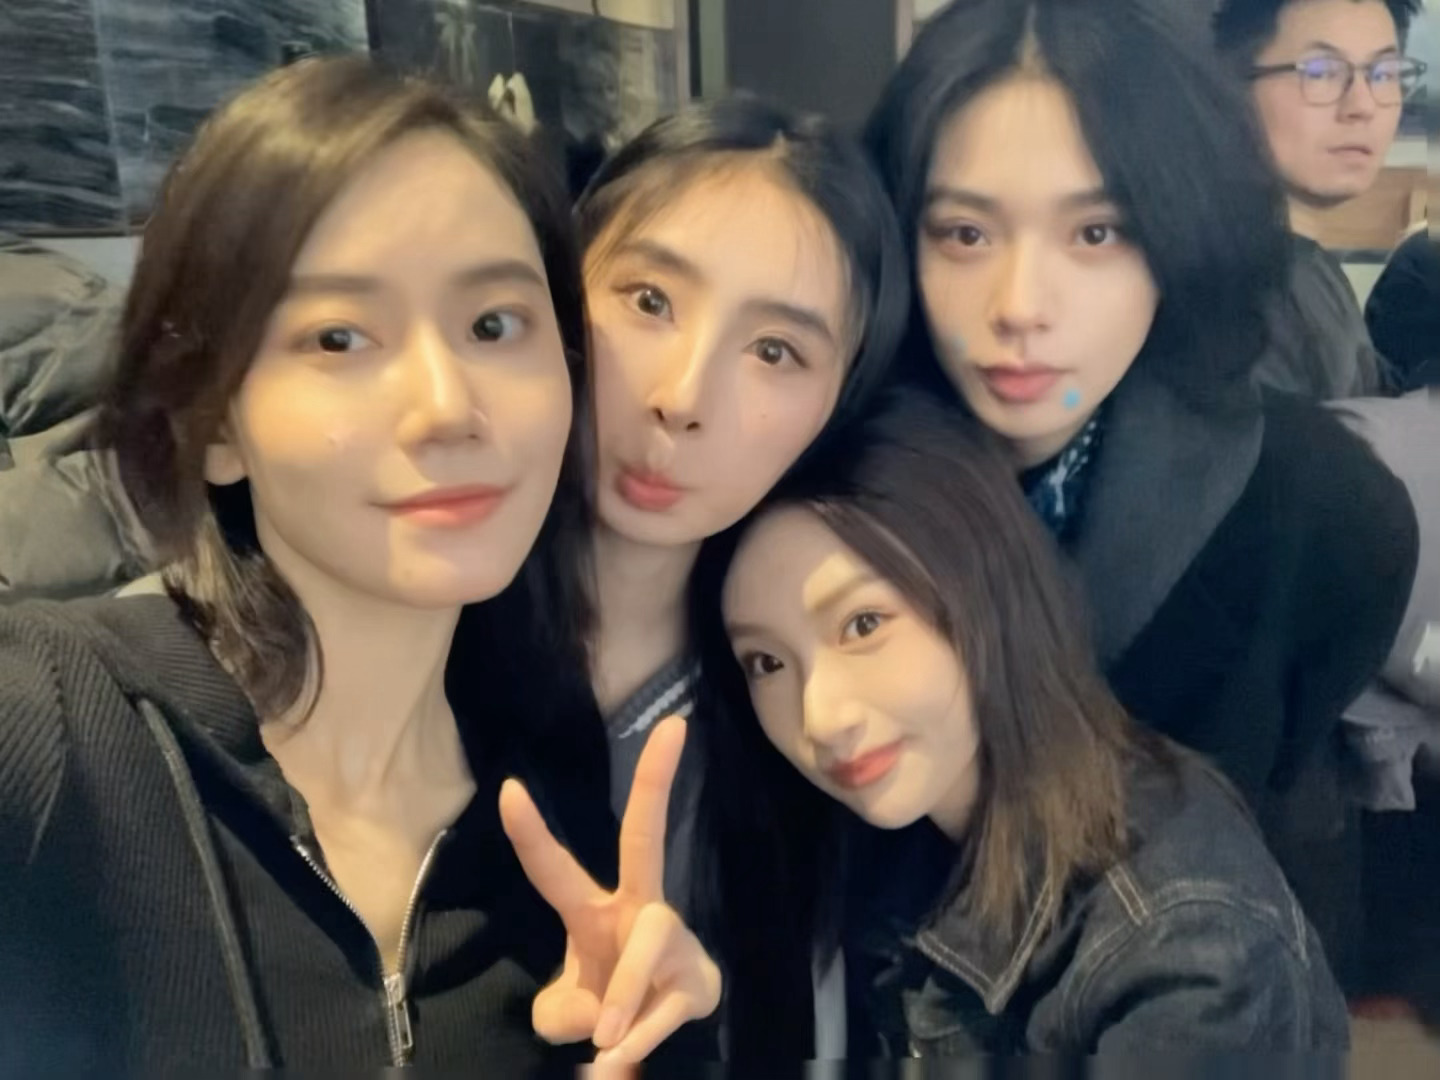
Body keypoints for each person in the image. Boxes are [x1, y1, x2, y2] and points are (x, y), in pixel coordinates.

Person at [0, 56, 714, 1070]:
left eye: (494, 324)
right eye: (338, 338)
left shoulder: (548, 815)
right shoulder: (51, 726)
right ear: (216, 425)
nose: (447, 407)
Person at [864, 0, 1418, 987]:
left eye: (1096, 231)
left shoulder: (1317, 506)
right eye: (963, 232)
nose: (1021, 307)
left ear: (1177, 233)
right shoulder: (826, 468)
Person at [692, 391, 1349, 1055]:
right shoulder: (892, 842)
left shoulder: (1186, 953)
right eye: (766, 662)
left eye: (864, 625)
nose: (821, 718)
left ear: (987, 593)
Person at [556, 97, 908, 907]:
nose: (683, 398)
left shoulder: (807, 720)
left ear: (838, 406)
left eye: (774, 351)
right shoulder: (419, 620)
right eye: (650, 301)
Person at [1213, 0, 1427, 397]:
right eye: (1321, 72)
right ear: (1229, 88)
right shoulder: (1242, 294)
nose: (1362, 106)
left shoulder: (1306, 273)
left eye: (1384, 74)